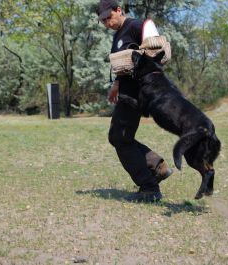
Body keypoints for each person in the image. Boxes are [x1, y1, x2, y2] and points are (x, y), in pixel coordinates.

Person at [97, 0, 173, 202]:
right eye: (103, 20)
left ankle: (149, 187)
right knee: (120, 137)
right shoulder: (118, 36)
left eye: (109, 17)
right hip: (127, 93)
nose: (107, 22)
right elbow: (124, 65)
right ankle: (157, 167)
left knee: (120, 137)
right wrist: (116, 85)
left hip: (138, 93)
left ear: (119, 10)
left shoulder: (136, 26)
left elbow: (157, 48)